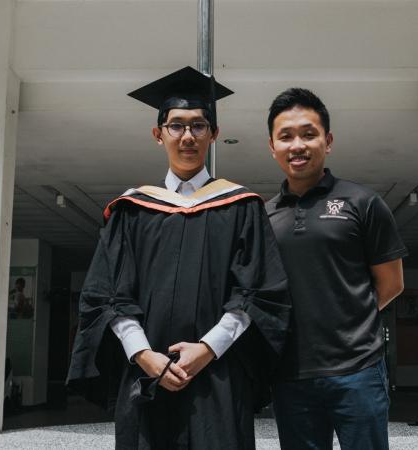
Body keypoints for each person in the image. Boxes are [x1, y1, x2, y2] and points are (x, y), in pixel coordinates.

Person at [67, 67, 290, 450]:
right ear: (159, 134)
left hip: (218, 374)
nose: (188, 136)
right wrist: (143, 355)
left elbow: (258, 291)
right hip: (147, 376)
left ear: (213, 134)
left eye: (199, 125)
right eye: (177, 126)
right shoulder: (132, 210)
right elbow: (107, 294)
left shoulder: (241, 207)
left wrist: (207, 349)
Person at [265, 88, 407, 450]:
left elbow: (392, 283)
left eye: (308, 134)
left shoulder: (363, 202)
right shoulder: (263, 216)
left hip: (358, 370)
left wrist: (350, 322)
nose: (297, 145)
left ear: (327, 142)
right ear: (272, 147)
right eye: (286, 136)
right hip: (291, 374)